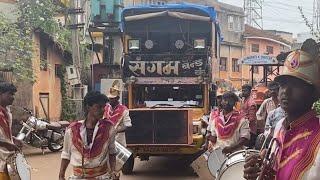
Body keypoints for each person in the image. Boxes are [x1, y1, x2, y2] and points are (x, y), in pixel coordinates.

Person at [243, 38, 320, 180]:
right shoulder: (279, 127)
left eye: (296, 85)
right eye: (283, 85)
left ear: (314, 94)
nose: (285, 91)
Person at [59, 91, 117, 180]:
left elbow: (112, 152)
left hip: (102, 177)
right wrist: (61, 176)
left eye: (104, 107)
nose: (103, 110)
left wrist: (113, 171)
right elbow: (66, 154)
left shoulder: (109, 128)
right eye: (99, 107)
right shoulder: (72, 130)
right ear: (88, 107)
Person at [103, 83, 132, 179]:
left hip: (118, 142)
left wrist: (116, 130)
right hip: (106, 141)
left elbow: (127, 125)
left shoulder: (124, 110)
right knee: (105, 167)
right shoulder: (105, 108)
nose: (110, 100)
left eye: (113, 98)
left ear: (118, 98)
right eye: (110, 98)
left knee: (115, 168)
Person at [0, 82, 22, 180]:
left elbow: (4, 135)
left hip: (7, 161)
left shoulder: (7, 112)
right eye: (10, 93)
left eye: (13, 94)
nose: (13, 97)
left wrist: (12, 139)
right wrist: (5, 143)